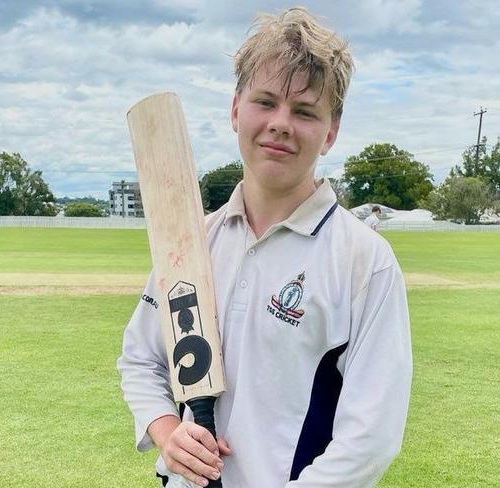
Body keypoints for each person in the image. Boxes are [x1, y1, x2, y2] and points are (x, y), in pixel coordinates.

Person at [118, 7, 412, 488]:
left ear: (330, 131)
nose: (280, 123)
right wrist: (167, 431)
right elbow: (141, 359)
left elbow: (370, 440)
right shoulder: (192, 241)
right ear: (236, 110)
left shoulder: (364, 263)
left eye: (304, 111)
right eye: (266, 101)